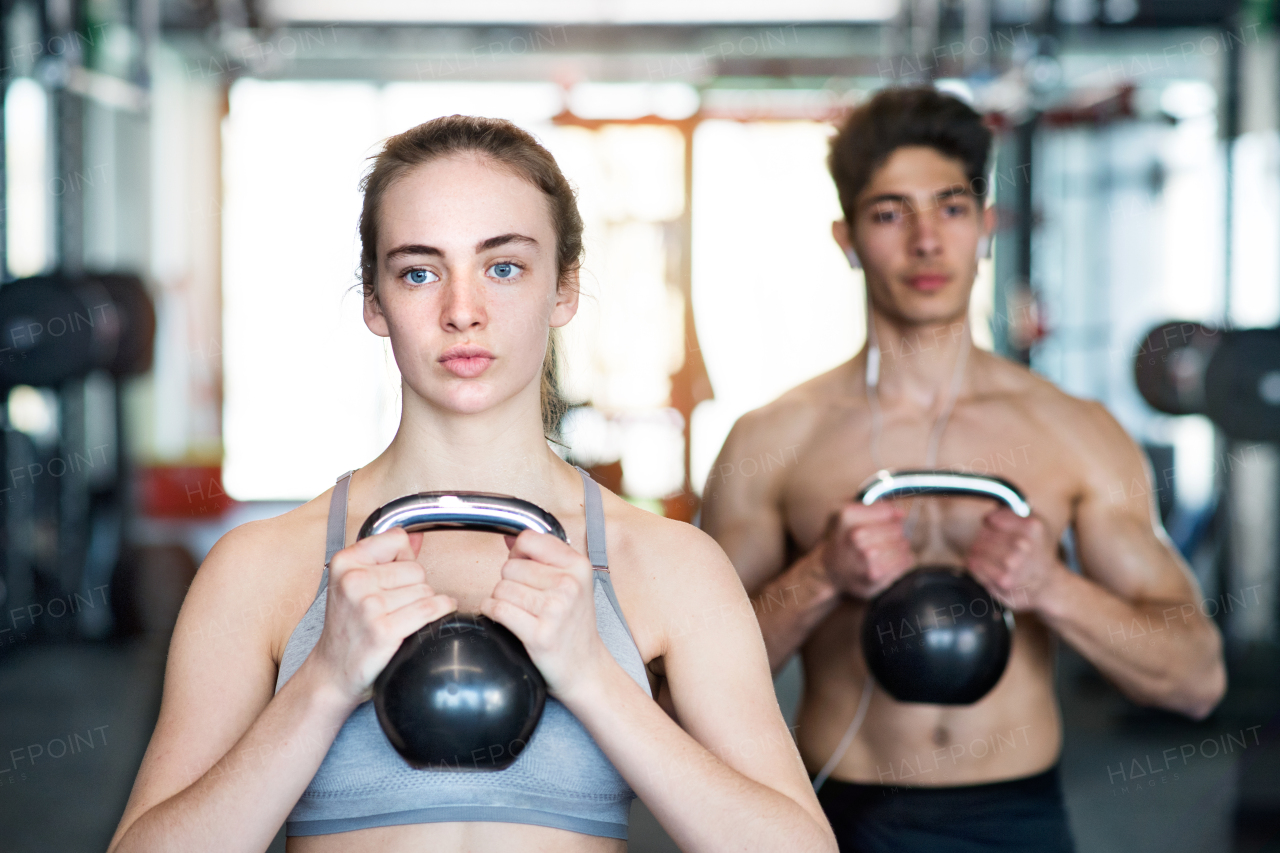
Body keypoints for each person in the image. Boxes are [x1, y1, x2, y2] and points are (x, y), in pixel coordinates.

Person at [108, 115, 836, 853]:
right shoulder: (260, 567)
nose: (462, 311)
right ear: (375, 299)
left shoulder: (670, 565)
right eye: (420, 271)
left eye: (503, 266)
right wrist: (324, 682)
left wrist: (594, 677)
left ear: (564, 290)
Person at [699, 86, 1227, 852]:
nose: (924, 241)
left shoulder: (1073, 431)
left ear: (985, 226)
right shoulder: (771, 439)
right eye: (889, 214)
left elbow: (1197, 676)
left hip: (1014, 819)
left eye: (949, 209)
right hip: (837, 813)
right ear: (846, 238)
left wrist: (1052, 585)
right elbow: (685, 693)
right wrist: (821, 576)